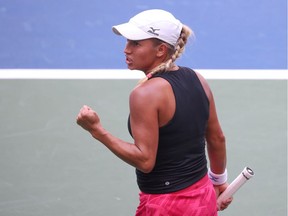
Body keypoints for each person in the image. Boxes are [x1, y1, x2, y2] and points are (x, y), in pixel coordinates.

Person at [77, 9, 232, 216]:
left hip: (167, 206)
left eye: (136, 43)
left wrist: (97, 130)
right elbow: (217, 138)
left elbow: (145, 160)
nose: (126, 50)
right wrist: (218, 181)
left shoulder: (145, 94)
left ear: (160, 50)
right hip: (202, 197)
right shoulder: (197, 79)